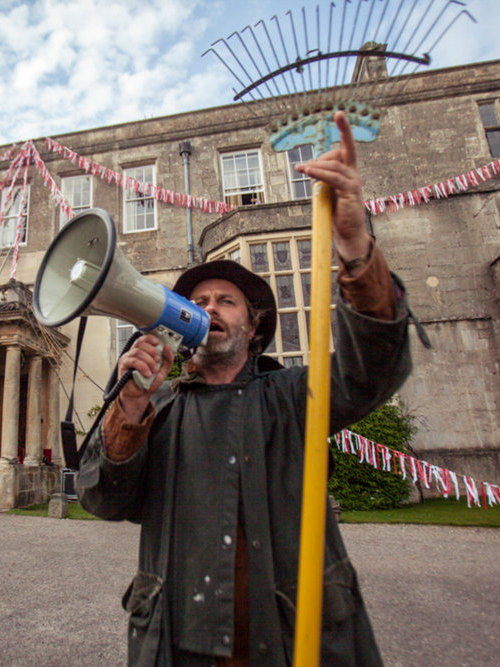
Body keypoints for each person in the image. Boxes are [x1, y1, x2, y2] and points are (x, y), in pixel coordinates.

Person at [77, 112, 413, 666]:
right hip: (176, 644)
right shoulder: (157, 406)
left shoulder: (292, 395)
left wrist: (354, 242)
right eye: (198, 302)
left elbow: (375, 366)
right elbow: (104, 501)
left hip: (290, 641)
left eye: (225, 301)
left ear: (254, 326)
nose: (208, 310)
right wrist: (128, 411)